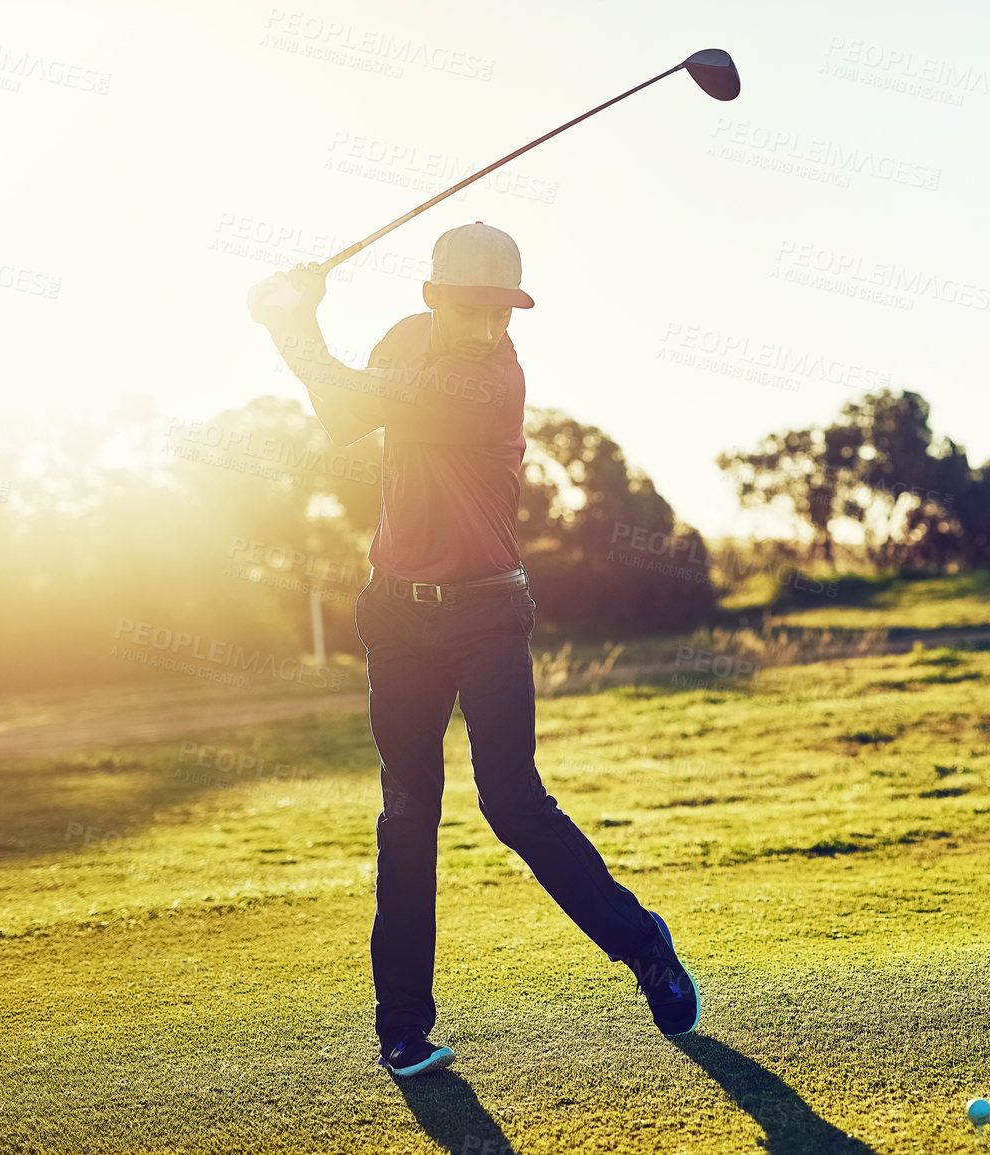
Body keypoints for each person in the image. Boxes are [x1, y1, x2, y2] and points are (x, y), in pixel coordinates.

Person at [248, 221, 700, 1078]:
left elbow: (341, 382)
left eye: (505, 312)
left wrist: (290, 322)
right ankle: (402, 1028)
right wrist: (296, 326)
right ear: (433, 297)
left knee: (512, 802)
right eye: (474, 308)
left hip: (488, 611)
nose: (490, 326)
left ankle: (642, 945)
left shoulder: (490, 381)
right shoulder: (404, 340)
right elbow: (344, 409)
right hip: (395, 612)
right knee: (407, 813)